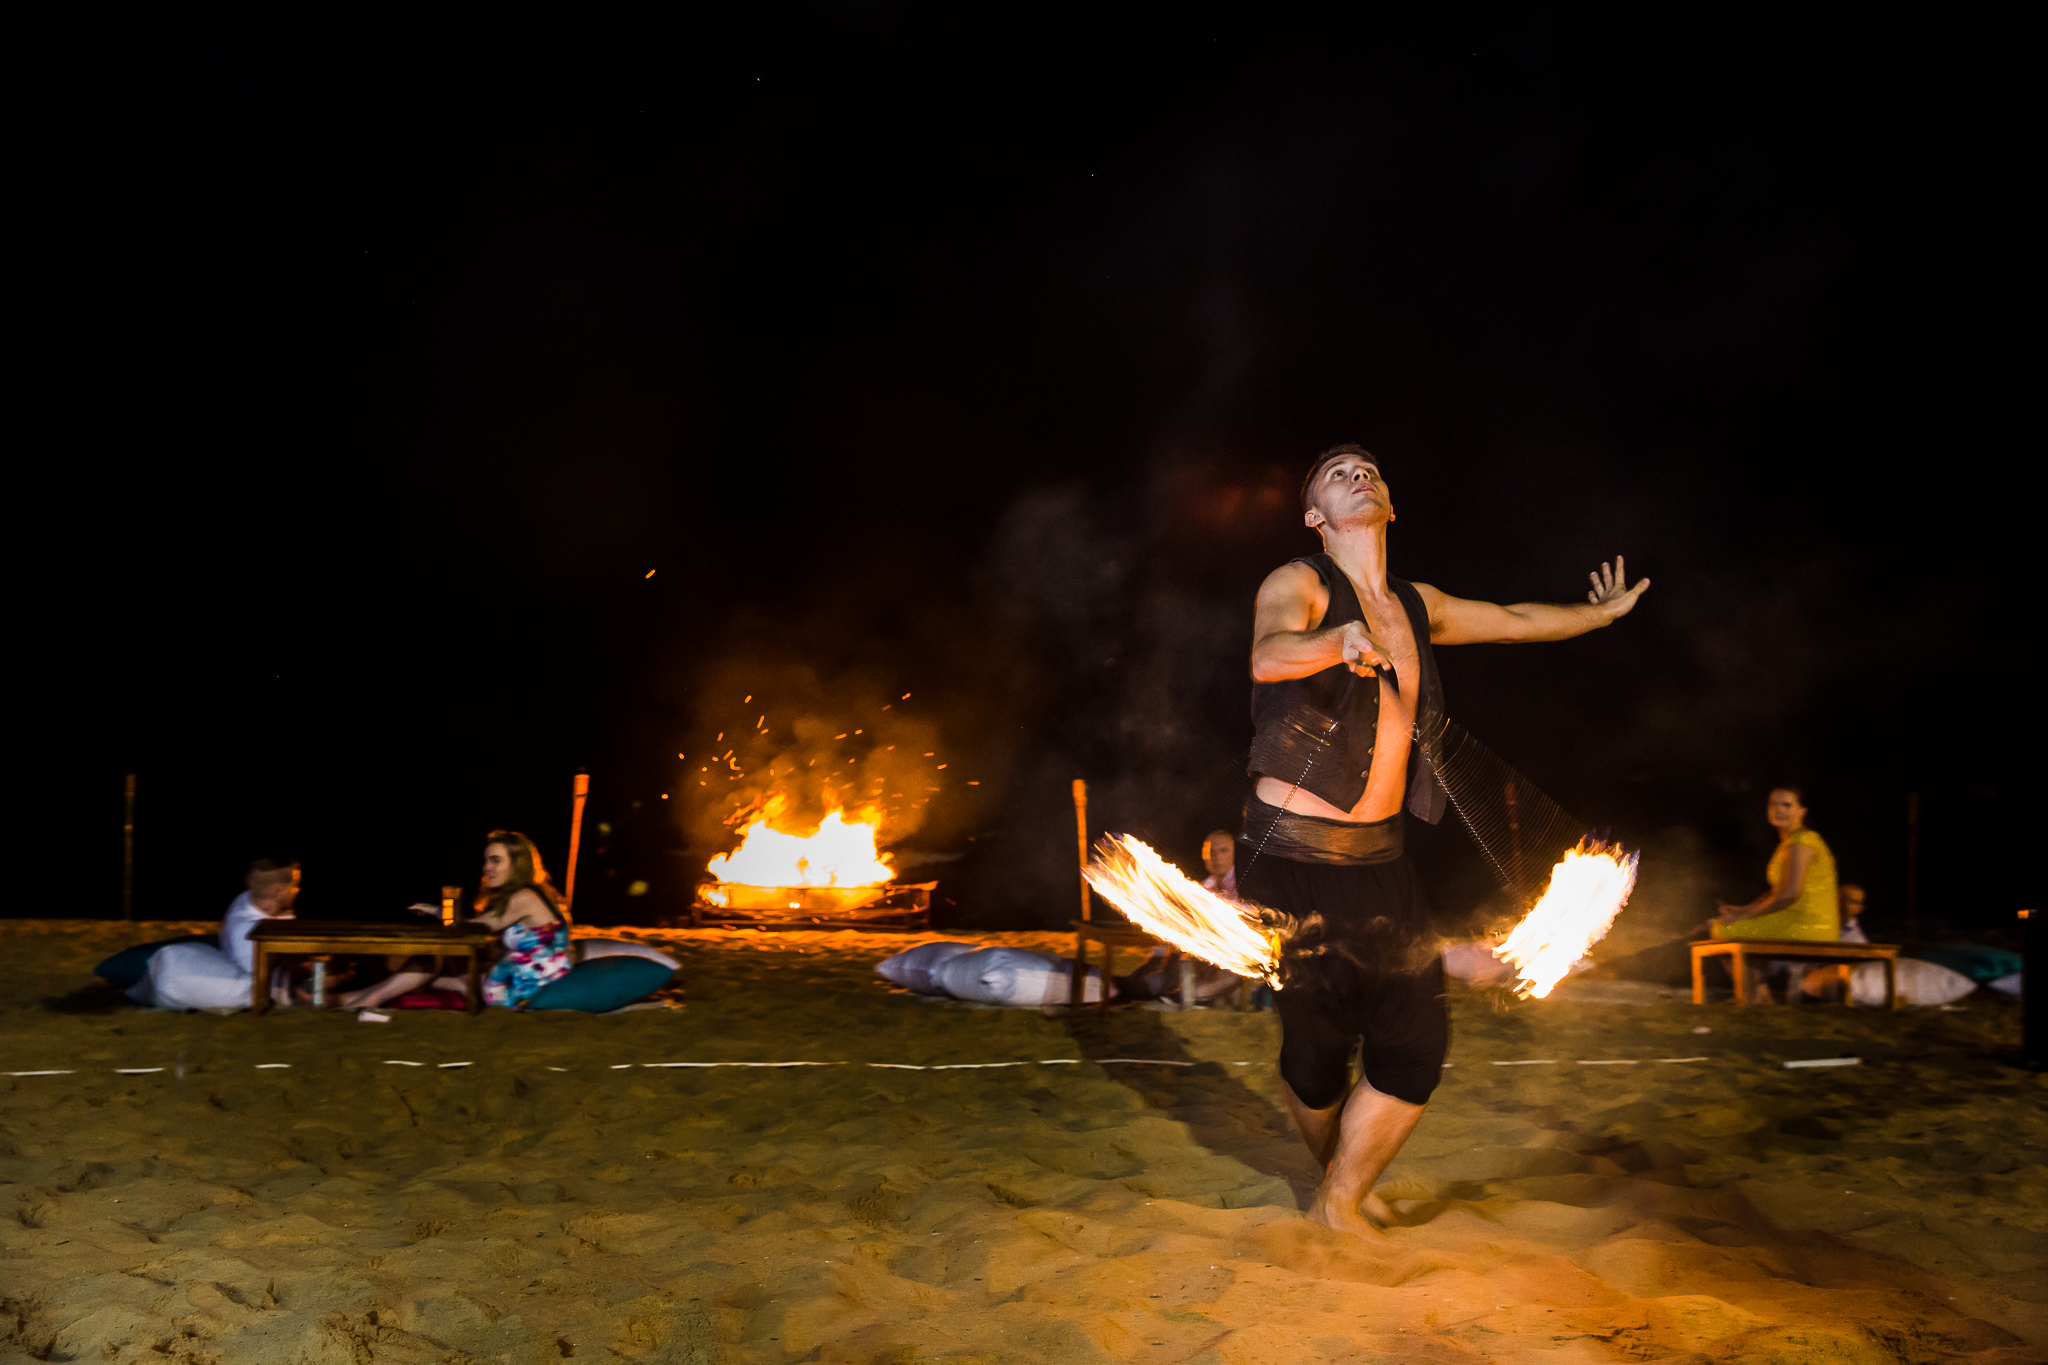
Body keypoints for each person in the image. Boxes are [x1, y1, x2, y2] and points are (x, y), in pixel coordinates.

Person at [1240, 442, 1647, 1237]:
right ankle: (1337, 1179)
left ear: (1391, 505)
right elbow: (1267, 654)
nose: (1360, 474)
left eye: (1371, 470)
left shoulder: (1417, 603)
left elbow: (1516, 623)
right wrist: (1338, 642)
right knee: (1317, 1056)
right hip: (1294, 858)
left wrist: (1598, 615)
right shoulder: (1298, 583)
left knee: (1414, 1042)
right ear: (1315, 515)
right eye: (1338, 473)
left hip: (1383, 860)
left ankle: (1339, 1200)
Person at [341, 830, 572, 1010]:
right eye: (486, 860)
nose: (486, 868)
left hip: (519, 993)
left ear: (517, 864)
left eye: (495, 860)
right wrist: (441, 912)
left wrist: (437, 911)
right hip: (524, 982)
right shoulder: (533, 894)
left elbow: (473, 927)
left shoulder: (524, 897)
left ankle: (360, 999)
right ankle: (348, 999)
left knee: (437, 960)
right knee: (430, 971)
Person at [130, 858, 300, 1010]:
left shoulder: (247, 899)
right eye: (294, 886)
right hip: (246, 979)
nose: (297, 890)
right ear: (277, 891)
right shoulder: (248, 932)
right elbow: (264, 978)